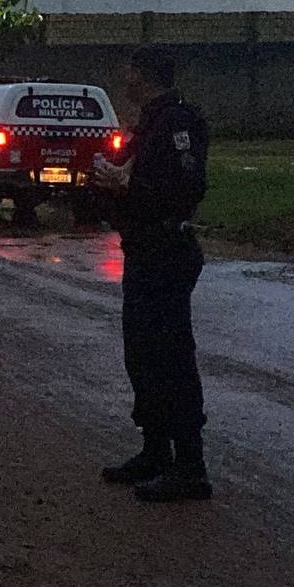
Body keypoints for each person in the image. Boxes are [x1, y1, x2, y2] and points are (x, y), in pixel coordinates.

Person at [93, 46, 212, 503]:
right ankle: (155, 450)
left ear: (144, 75)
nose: (124, 78)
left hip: (167, 250)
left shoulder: (178, 122)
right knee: (142, 355)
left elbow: (186, 186)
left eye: (130, 71)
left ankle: (190, 465)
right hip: (144, 248)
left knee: (170, 357)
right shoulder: (149, 122)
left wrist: (127, 183)